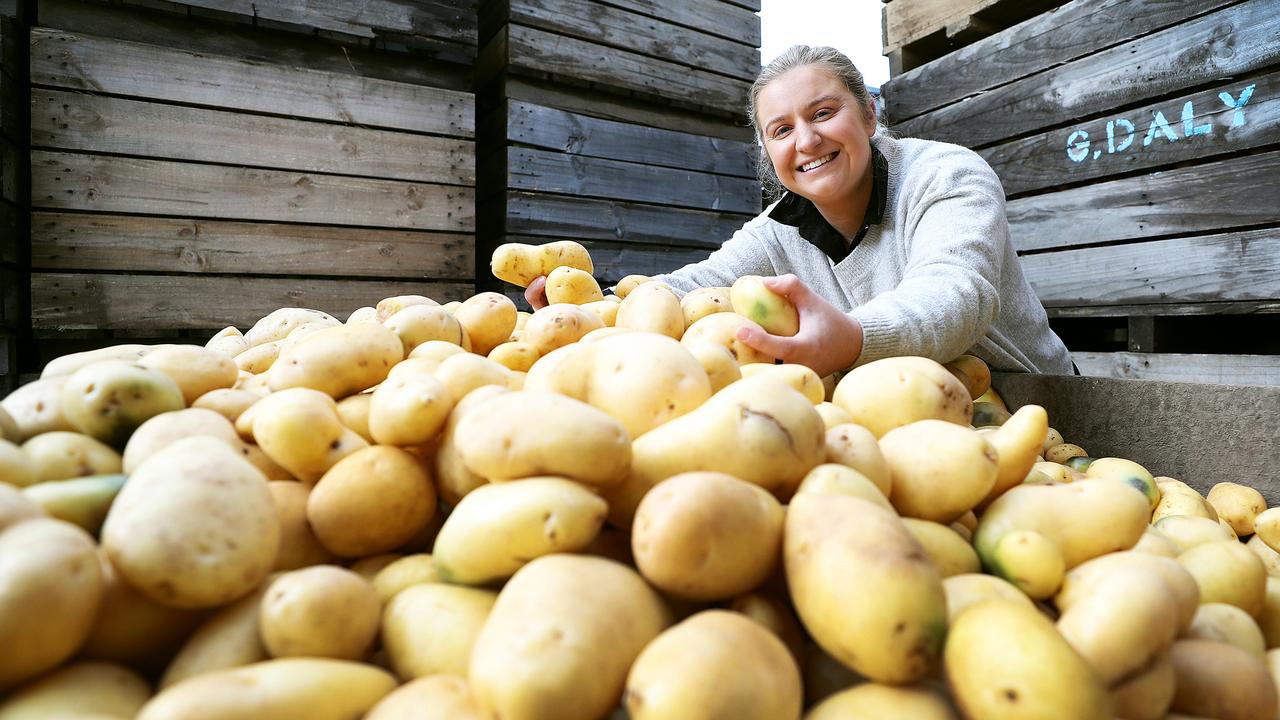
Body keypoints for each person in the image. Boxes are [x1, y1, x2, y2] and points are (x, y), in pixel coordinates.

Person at [525, 45, 1073, 379]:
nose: (806, 141)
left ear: (868, 114)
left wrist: (854, 337)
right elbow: (697, 285)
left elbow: (958, 292)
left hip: (1035, 401)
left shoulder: (945, 175)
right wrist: (590, 304)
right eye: (782, 130)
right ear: (768, 151)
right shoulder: (780, 229)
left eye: (824, 113)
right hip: (909, 417)